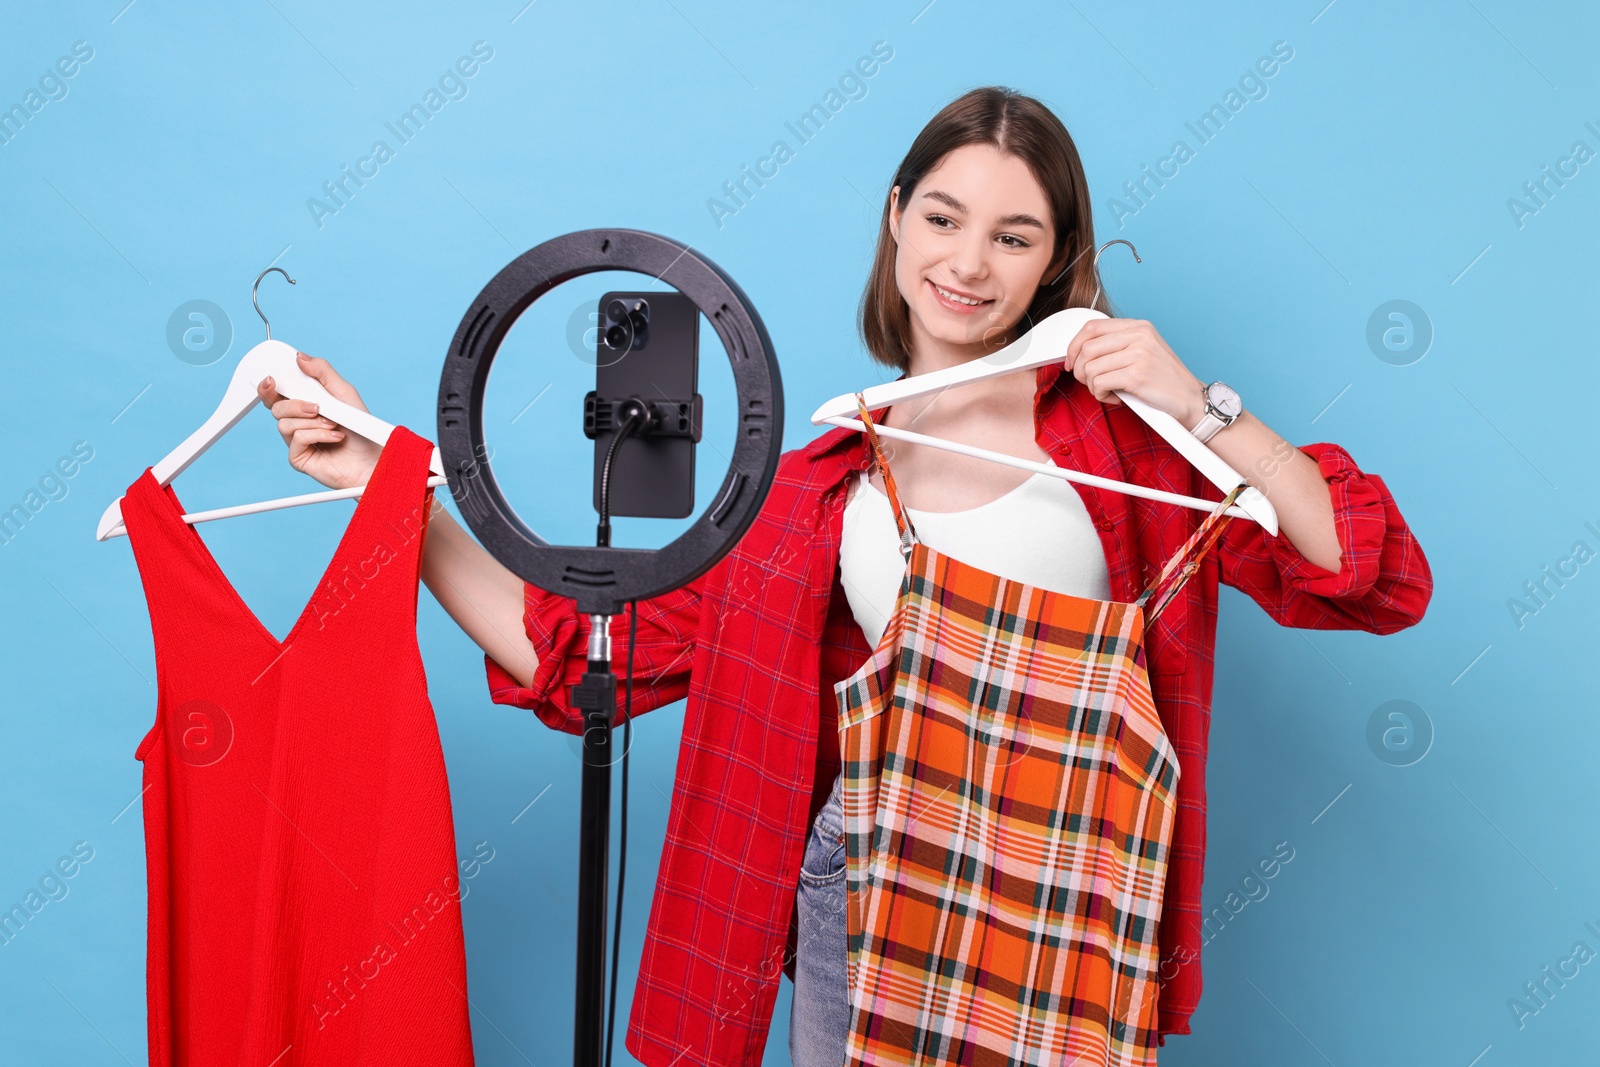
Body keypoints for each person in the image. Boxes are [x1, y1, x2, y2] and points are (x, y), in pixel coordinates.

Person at [258, 86, 1431, 1067]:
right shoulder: (817, 483)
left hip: (1071, 888)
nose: (967, 263)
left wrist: (1202, 407)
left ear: (1056, 260)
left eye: (1013, 236)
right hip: (863, 900)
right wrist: (383, 484)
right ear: (895, 221)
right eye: (942, 217)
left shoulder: (1128, 444)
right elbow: (580, 654)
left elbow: (1366, 577)